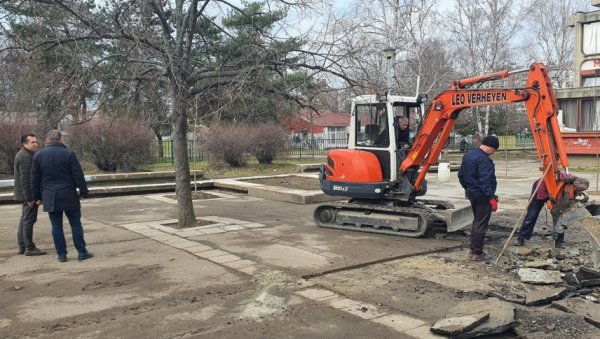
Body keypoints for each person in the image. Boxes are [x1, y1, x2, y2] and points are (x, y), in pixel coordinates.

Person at [31, 130, 93, 263]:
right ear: (60, 139)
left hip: (50, 196)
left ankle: (62, 254)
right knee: (76, 224)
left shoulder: (38, 156)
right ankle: (82, 252)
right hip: (69, 194)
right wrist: (83, 192)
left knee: (56, 226)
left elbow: (35, 179)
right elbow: (78, 175)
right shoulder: (69, 153)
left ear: (48, 139)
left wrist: (37, 197)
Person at [458, 135, 499, 261]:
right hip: (482, 195)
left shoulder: (468, 156)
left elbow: (460, 175)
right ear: (490, 148)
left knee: (476, 221)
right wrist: (491, 198)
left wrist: (467, 188)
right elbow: (485, 180)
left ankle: (472, 250)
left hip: (472, 193)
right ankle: (477, 253)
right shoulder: (484, 160)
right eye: (494, 150)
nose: (493, 153)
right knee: (481, 223)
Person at [13, 133, 47, 256]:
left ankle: (22, 246)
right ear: (24, 144)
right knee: (28, 220)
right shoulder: (24, 156)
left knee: (24, 220)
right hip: (28, 196)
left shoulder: (27, 154)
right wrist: (30, 198)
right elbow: (26, 179)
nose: (36, 144)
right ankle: (29, 247)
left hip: (25, 195)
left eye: (36, 141)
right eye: (32, 142)